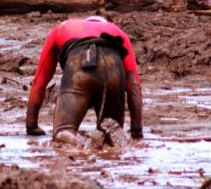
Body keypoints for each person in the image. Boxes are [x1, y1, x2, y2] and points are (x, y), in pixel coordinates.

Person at [25, 16, 143, 144]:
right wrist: (136, 129)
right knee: (110, 136)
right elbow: (133, 84)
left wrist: (32, 124)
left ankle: (82, 143)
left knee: (63, 132)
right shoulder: (117, 31)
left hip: (79, 64)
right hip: (113, 67)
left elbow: (40, 80)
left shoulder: (63, 27)